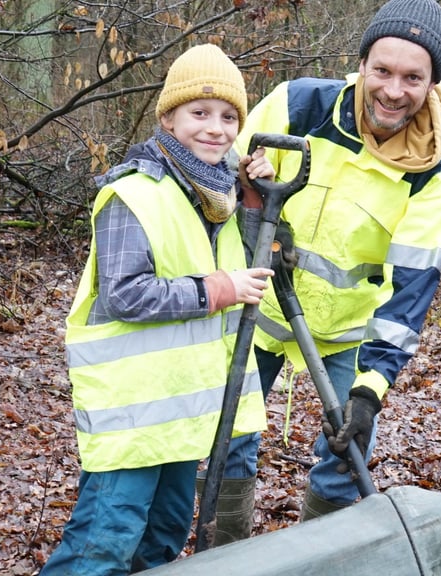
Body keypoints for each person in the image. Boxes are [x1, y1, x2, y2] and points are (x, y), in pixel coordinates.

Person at [213, 0, 441, 540]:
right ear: (363, 64)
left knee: (346, 452)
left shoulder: (435, 173)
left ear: (432, 84)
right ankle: (223, 553)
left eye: (413, 77)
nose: (394, 91)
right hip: (255, 299)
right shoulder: (300, 106)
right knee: (228, 435)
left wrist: (372, 388)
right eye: (383, 71)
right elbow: (219, 172)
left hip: (347, 333)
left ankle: (315, 557)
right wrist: (249, 199)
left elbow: (411, 288)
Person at [42, 43, 276, 574]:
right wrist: (217, 289)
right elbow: (124, 294)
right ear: (168, 118)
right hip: (131, 414)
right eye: (199, 113)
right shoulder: (135, 193)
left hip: (179, 413)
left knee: (164, 537)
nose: (215, 129)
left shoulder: (216, 195)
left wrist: (255, 195)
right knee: (105, 539)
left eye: (227, 117)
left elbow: (263, 257)